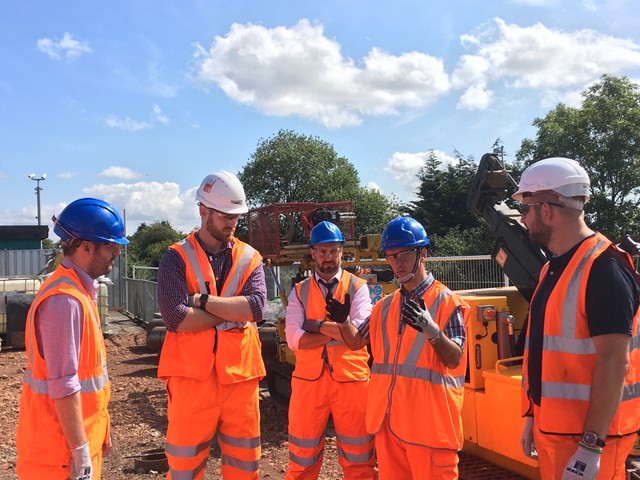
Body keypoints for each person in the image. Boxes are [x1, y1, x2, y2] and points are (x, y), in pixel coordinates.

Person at [514, 157, 640, 480]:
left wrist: (590, 447)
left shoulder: (605, 268)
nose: (522, 219)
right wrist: (532, 416)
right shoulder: (551, 270)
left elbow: (615, 362)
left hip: (587, 440)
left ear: (546, 210)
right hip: (555, 433)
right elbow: (543, 352)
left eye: (525, 210)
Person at [335, 217, 469, 480]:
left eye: (404, 254)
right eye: (391, 256)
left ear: (423, 253)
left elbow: (455, 359)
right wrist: (343, 321)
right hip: (390, 427)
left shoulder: (445, 302)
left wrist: (432, 331)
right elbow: (354, 342)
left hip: (429, 430)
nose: (397, 262)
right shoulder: (385, 306)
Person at [156, 171, 266, 480]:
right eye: (225, 215)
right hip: (192, 381)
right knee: (184, 469)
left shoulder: (250, 257)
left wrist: (201, 301)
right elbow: (176, 318)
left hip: (240, 380)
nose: (232, 222)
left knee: (245, 468)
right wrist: (234, 312)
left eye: (236, 216)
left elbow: (257, 307)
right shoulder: (175, 258)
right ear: (203, 211)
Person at [16, 197, 128, 480]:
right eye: (110, 245)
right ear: (86, 246)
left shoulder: (78, 291)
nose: (117, 251)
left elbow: (89, 378)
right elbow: (64, 384)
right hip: (58, 459)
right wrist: (80, 453)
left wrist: (100, 429)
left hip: (71, 451)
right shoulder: (64, 300)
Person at [284, 221, 375, 480]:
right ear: (312, 253)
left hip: (352, 382)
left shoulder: (358, 287)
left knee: (359, 458)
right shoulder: (299, 292)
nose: (328, 257)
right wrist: (339, 332)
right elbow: (294, 339)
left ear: (341, 251)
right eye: (322, 251)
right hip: (308, 384)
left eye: (333, 251)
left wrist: (315, 326)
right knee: (302, 457)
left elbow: (360, 334)